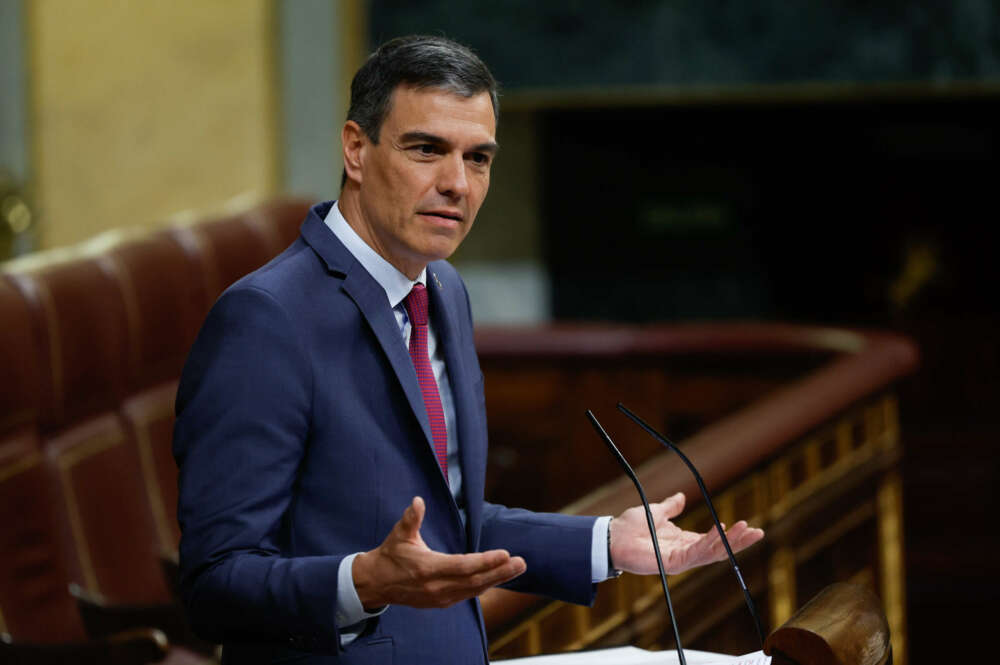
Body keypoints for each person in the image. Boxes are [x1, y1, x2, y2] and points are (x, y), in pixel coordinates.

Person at [172, 35, 763, 664]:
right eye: (426, 150)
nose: (456, 183)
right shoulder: (267, 318)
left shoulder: (443, 289)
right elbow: (216, 581)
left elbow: (449, 522)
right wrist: (361, 583)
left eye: (478, 158)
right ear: (355, 150)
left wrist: (606, 544)